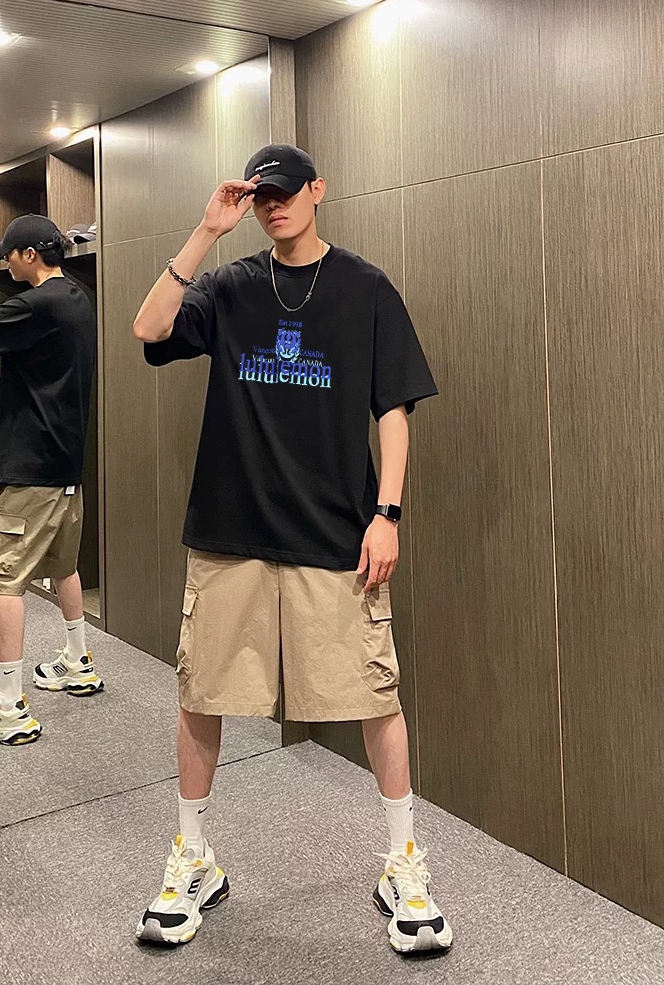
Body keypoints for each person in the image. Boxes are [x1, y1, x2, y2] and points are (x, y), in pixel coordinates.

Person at [132, 144, 451, 953]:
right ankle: (193, 856)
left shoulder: (366, 288)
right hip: (230, 529)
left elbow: (393, 409)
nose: (272, 206)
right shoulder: (229, 286)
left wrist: (387, 513)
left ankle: (404, 863)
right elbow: (149, 328)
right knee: (201, 691)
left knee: (375, 695)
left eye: (284, 192)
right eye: (259, 197)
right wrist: (207, 231)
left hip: (334, 530)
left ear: (318, 191)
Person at [0, 214, 103, 749]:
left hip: (29, 469)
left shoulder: (37, 304)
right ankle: (77, 661)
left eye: (8, 254)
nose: (4, 262)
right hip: (64, 468)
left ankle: (9, 706)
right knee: (63, 564)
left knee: (3, 578)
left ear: (30, 254)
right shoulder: (76, 297)